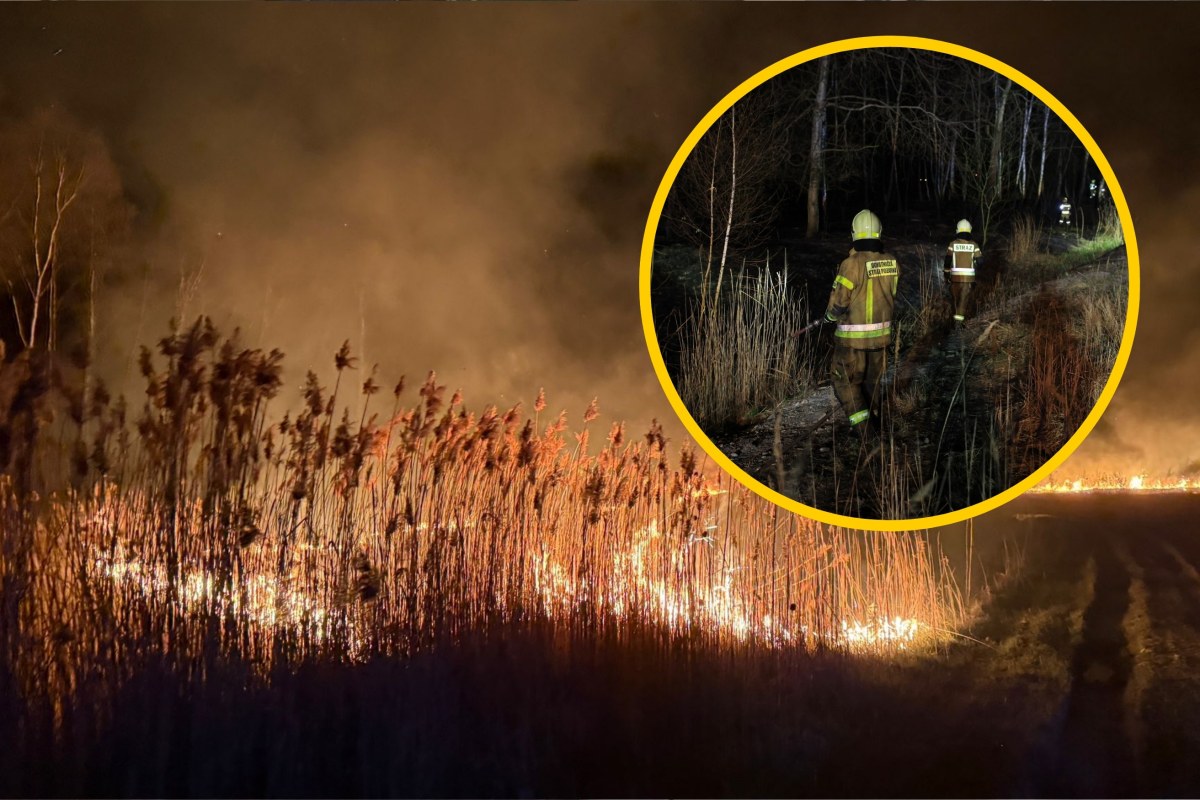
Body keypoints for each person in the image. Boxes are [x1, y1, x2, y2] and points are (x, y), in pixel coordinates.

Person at [823, 209, 898, 434]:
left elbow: (839, 302)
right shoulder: (891, 262)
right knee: (871, 384)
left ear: (855, 233)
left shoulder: (851, 263)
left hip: (852, 341)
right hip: (881, 338)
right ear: (879, 232)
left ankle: (865, 431)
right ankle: (873, 421)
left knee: (844, 381)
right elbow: (891, 294)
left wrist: (829, 316)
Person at [944, 219, 981, 326]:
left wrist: (946, 273)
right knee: (963, 301)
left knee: (955, 299)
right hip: (969, 279)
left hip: (955, 278)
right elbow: (980, 262)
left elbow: (947, 260)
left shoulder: (953, 244)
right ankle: (959, 323)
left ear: (957, 230)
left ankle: (953, 322)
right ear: (970, 230)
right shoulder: (974, 245)